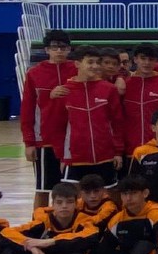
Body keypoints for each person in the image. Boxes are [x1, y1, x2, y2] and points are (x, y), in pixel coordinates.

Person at [48, 46, 124, 189]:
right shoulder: (64, 91)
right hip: (75, 158)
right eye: (90, 62)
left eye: (97, 62)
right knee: (75, 198)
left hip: (105, 156)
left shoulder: (109, 89)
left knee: (110, 197)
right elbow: (58, 127)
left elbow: (117, 123)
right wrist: (62, 156)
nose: (95, 66)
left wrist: (118, 152)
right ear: (77, 63)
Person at [21, 29, 78, 208]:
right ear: (46, 49)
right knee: (43, 188)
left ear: (69, 49)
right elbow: (27, 109)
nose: (59, 51)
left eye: (63, 47)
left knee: (73, 188)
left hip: (73, 139)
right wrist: (29, 142)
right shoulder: (34, 73)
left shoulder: (77, 70)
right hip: (45, 140)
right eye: (54, 47)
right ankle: (39, 222)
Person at [120, 44, 158, 164]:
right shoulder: (125, 85)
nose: (147, 63)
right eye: (143, 58)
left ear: (156, 61)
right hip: (130, 149)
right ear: (135, 59)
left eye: (151, 59)